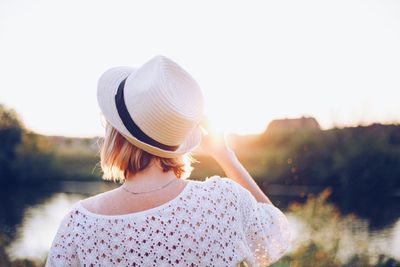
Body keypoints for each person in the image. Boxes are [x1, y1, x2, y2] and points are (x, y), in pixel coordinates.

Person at [45, 55, 291, 267]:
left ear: (114, 134)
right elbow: (275, 237)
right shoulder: (225, 200)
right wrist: (226, 156)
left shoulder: (80, 225)